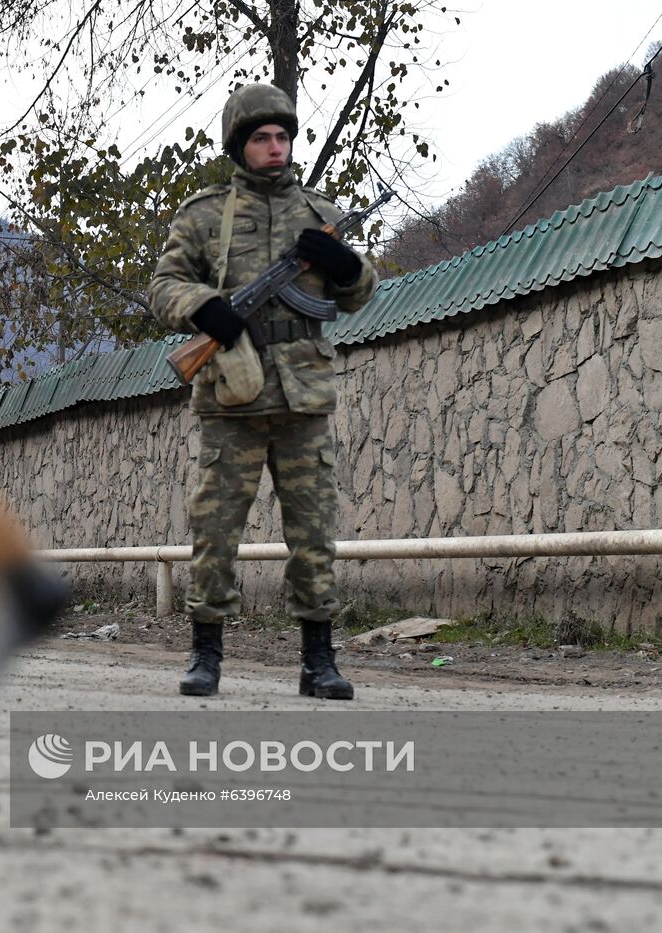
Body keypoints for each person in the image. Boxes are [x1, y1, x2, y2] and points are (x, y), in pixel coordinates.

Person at [147, 82, 378, 699]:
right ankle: (206, 655)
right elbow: (164, 285)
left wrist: (346, 264)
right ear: (240, 146)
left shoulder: (317, 212)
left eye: (283, 137)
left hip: (304, 395)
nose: (275, 147)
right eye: (261, 138)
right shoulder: (204, 215)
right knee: (215, 527)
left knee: (314, 530)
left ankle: (319, 662)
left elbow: (357, 296)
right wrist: (205, 309)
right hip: (233, 396)